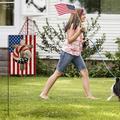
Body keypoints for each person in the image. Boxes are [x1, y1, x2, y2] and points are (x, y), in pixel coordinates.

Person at [40, 8, 96, 100]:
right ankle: (43, 93)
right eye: (83, 15)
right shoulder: (73, 25)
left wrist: (83, 40)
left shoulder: (79, 26)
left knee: (84, 73)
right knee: (58, 73)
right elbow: (70, 40)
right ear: (78, 15)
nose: (85, 16)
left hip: (76, 54)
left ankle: (88, 95)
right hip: (68, 53)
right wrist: (79, 32)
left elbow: (76, 40)